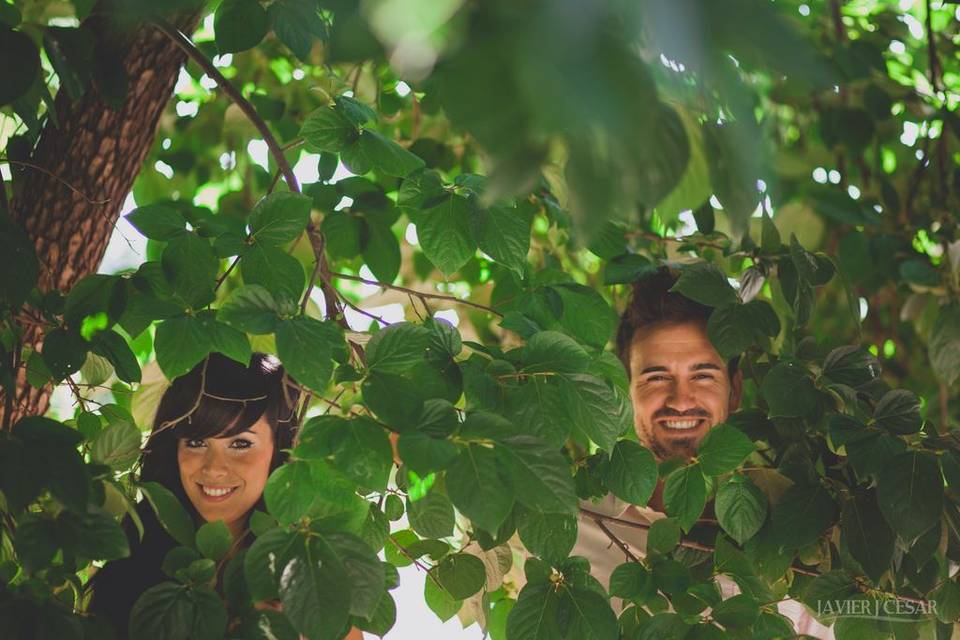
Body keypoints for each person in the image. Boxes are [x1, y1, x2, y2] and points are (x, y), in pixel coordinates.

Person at [572, 266, 832, 637]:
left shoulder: (800, 530)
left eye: (703, 375)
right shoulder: (575, 528)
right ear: (623, 395)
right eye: (656, 377)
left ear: (735, 390)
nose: (680, 400)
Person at [88, 352, 301, 638]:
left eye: (240, 443)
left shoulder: (307, 577)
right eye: (197, 442)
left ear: (279, 450)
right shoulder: (129, 565)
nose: (214, 469)